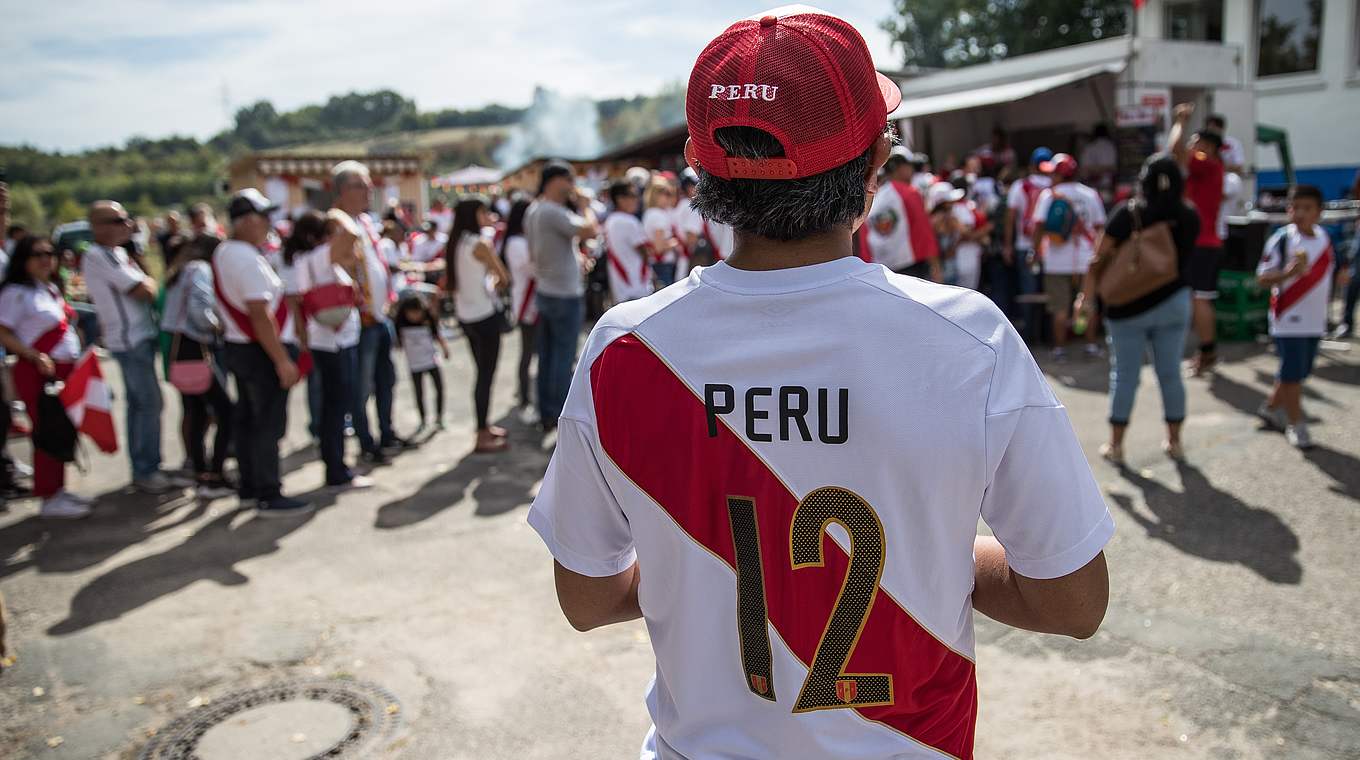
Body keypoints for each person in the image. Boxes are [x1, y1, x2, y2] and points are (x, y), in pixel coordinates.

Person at [527, 9, 1111, 758]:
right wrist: (923, 557)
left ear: (699, 170)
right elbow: (1071, 601)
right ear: (875, 162)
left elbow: (587, 597)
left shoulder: (625, 351)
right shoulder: (970, 342)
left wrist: (710, 570)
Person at [1076, 155, 1199, 464]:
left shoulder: (1128, 213)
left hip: (1126, 308)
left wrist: (1086, 299)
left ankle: (1116, 445)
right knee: (1170, 373)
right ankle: (1175, 441)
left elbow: (1098, 260)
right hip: (1174, 302)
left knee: (1125, 375)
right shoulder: (1188, 215)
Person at [214, 189, 310, 517]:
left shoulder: (229, 252)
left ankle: (251, 486)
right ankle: (268, 491)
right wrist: (281, 360)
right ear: (247, 221)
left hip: (244, 349)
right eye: (264, 216)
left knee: (248, 420)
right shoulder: (243, 257)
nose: (269, 223)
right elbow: (259, 315)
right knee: (267, 424)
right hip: (261, 352)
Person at [83, 201, 187, 492]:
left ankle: (146, 466)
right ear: (98, 227)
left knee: (141, 404)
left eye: (126, 219)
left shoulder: (119, 253)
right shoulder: (98, 255)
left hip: (138, 338)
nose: (127, 225)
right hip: (130, 341)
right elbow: (144, 290)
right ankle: (146, 470)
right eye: (118, 220)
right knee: (148, 403)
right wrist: (150, 283)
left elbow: (150, 283)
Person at [0, 236, 90, 518]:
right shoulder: (15, 292)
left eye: (49, 253)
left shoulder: (49, 288)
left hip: (62, 369)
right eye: (37, 254)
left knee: (61, 430)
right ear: (23, 259)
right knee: (46, 430)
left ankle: (59, 489)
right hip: (38, 371)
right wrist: (33, 355)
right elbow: (3, 331)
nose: (45, 259)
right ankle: (48, 495)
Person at [288, 210, 373, 490]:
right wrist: (337, 213)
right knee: (336, 407)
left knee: (332, 406)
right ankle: (336, 469)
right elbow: (352, 234)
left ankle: (335, 464)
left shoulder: (304, 260)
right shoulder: (318, 257)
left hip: (327, 341)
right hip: (333, 342)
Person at [331, 161, 408, 463]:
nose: (368, 191)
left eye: (368, 185)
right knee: (361, 386)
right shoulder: (337, 224)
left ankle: (386, 433)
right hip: (360, 320)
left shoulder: (365, 221)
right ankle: (366, 441)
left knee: (386, 380)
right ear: (341, 191)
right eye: (360, 186)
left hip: (379, 315)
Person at [1256, 185, 1334, 449]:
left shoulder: (1324, 237)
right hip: (1288, 319)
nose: (1300, 213)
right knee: (1292, 375)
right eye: (1295, 207)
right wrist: (1288, 274)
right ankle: (1296, 424)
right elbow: (1262, 278)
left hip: (1315, 319)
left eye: (1307, 208)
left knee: (1298, 371)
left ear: (1319, 212)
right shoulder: (1282, 239)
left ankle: (1269, 409)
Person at [159, 234, 235, 498]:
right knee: (226, 412)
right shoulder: (199, 269)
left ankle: (201, 473)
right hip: (195, 346)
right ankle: (215, 476)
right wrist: (219, 325)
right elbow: (199, 310)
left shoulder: (179, 270)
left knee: (196, 412)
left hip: (178, 348)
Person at [525, 160, 598, 432]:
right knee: (563, 357)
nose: (572, 186)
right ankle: (559, 414)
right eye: (569, 180)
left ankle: (546, 412)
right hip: (564, 294)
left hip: (545, 289)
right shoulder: (553, 211)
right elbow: (590, 229)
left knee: (547, 356)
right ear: (555, 181)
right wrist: (585, 205)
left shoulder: (534, 210)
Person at [448, 197, 511, 452]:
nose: (488, 216)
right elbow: (503, 277)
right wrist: (492, 285)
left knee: (481, 374)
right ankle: (482, 433)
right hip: (484, 315)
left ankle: (483, 426)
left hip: (466, 316)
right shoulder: (479, 243)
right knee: (486, 376)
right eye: (484, 212)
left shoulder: (457, 242)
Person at [1030, 153, 1107, 361]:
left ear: (1059, 175)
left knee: (1059, 308)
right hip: (1086, 259)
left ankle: (1060, 350)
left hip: (1056, 261)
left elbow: (1038, 227)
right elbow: (1100, 228)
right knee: (1087, 303)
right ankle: (1090, 345)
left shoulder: (1049, 195)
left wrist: (1034, 253)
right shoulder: (1090, 194)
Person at [1169, 102, 1226, 376]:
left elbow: (1175, 150)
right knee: (1198, 299)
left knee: (1200, 300)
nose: (1191, 146)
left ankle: (1208, 352)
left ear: (1208, 147)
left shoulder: (1208, 165)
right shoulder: (1210, 168)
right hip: (1204, 244)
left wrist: (1180, 121)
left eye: (1196, 142)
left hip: (1202, 245)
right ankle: (1205, 351)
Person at [860, 146, 942, 281]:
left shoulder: (875, 197)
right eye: (910, 166)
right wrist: (936, 266)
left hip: (883, 271)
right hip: (912, 266)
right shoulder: (909, 193)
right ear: (900, 167)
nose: (912, 171)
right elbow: (924, 231)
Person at [1004, 148, 1054, 335]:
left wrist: (1007, 246)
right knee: (1050, 291)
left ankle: (1030, 334)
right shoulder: (1054, 186)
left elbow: (1010, 217)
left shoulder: (1020, 186)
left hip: (1024, 247)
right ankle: (1048, 332)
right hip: (1051, 249)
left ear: (1032, 165)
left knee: (1028, 292)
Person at [501, 199, 539, 418]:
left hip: (531, 301)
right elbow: (533, 269)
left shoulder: (521, 240)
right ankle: (524, 396)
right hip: (526, 303)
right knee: (527, 353)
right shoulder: (516, 242)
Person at [395, 294, 448, 435]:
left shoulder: (428, 320)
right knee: (419, 392)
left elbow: (437, 335)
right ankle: (423, 419)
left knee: (439, 388)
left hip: (431, 360)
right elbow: (398, 342)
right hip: (414, 364)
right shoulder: (401, 323)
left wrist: (445, 348)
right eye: (411, 313)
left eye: (417, 312)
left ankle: (439, 417)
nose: (415, 316)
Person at [603, 182, 653, 304]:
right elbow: (646, 252)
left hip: (621, 288)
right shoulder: (629, 221)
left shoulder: (611, 219)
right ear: (620, 199)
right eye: (633, 195)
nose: (637, 199)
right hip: (636, 287)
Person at [642, 177, 682, 286]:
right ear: (655, 195)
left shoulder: (652, 212)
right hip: (662, 265)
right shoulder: (657, 215)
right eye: (666, 194)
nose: (670, 197)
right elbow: (658, 248)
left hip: (658, 265)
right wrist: (675, 243)